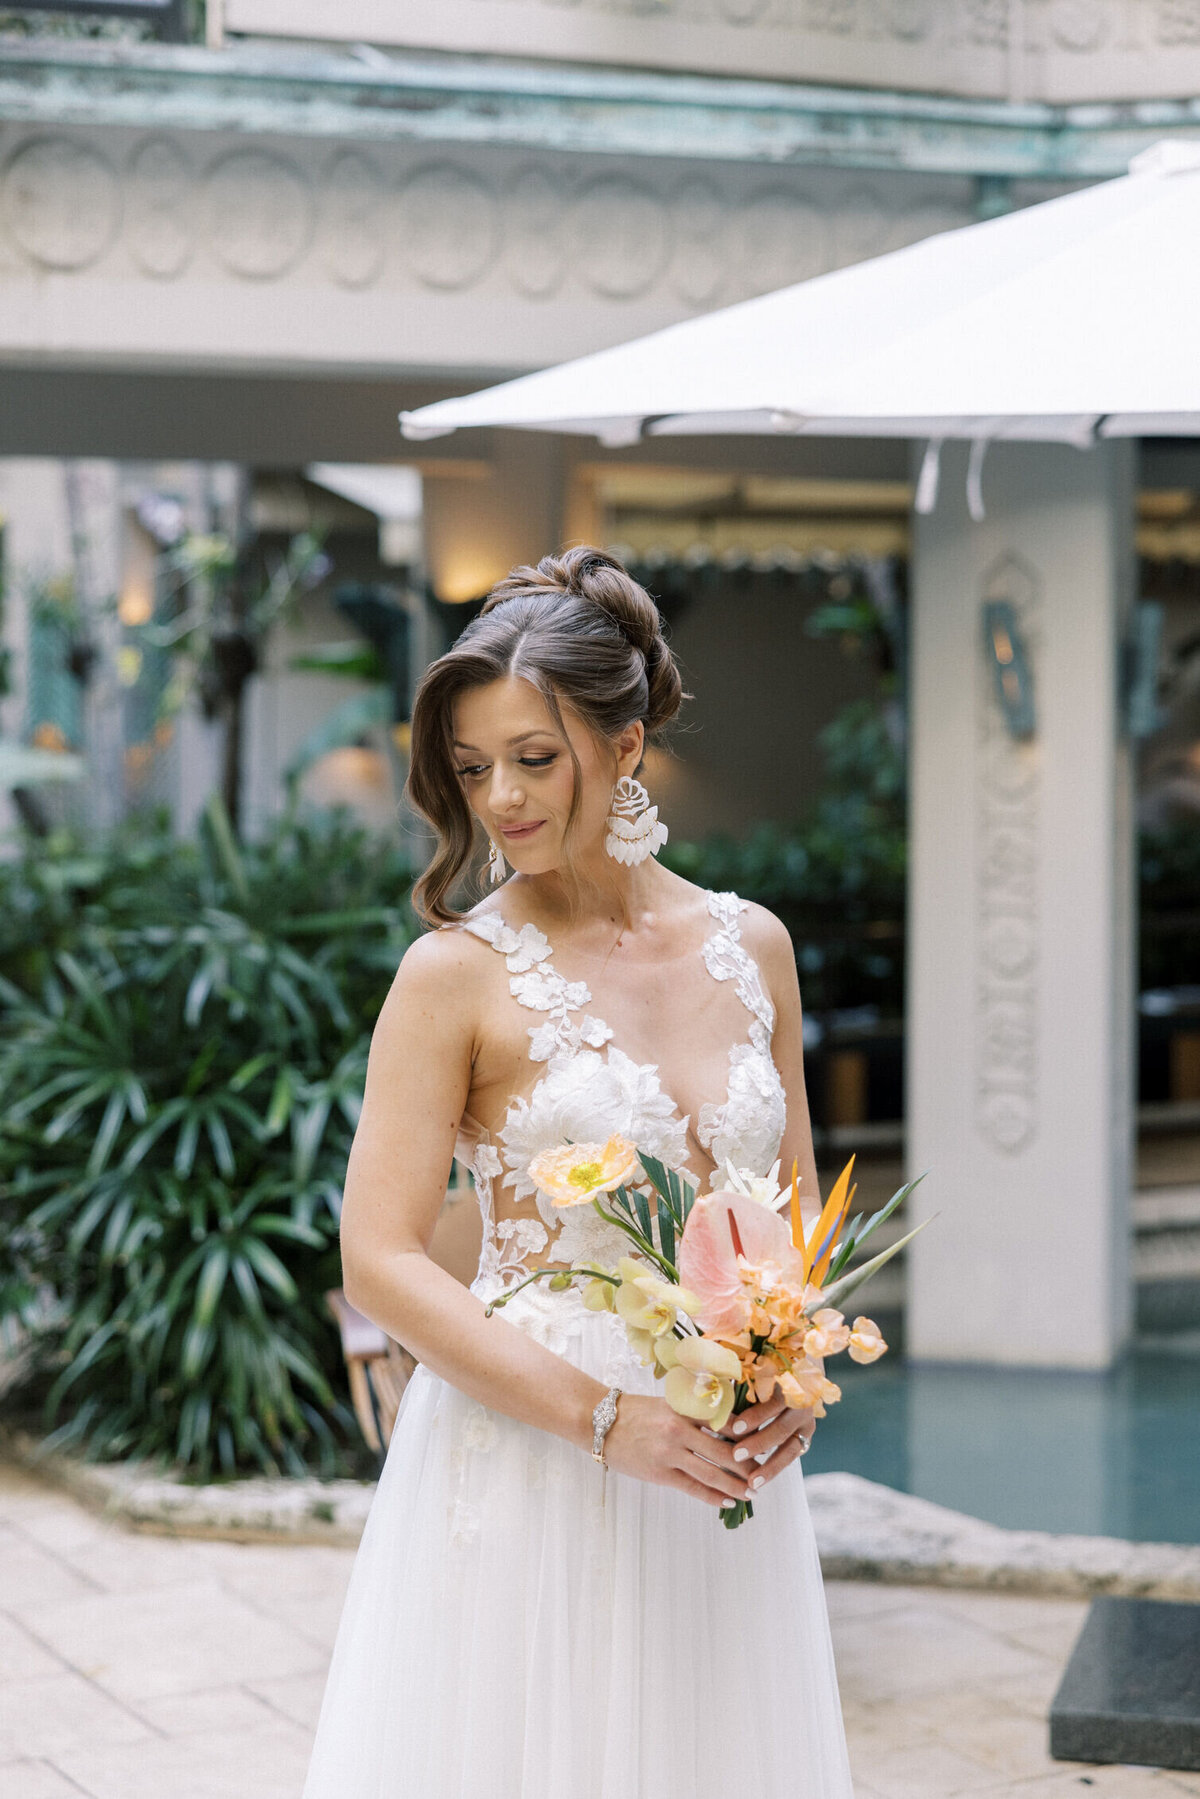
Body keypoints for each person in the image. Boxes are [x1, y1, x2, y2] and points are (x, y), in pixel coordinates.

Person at [301, 547, 855, 1799]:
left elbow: (794, 1213)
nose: (499, 797)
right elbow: (378, 1258)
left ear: (629, 738)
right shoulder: (453, 974)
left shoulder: (751, 945)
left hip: (722, 1467)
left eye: (533, 759)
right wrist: (611, 1421)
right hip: (533, 1455)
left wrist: (794, 1372)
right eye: (472, 766)